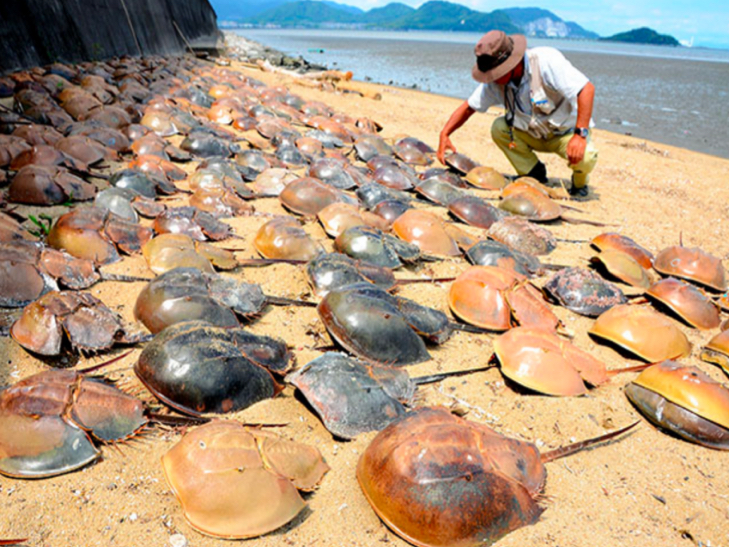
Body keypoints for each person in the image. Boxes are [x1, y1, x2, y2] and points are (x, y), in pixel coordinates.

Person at [437, 30, 598, 198]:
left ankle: (580, 183)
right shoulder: (494, 82)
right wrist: (445, 133)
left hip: (564, 135)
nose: (492, 78)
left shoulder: (546, 61)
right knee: (499, 128)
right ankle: (534, 173)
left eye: (497, 73)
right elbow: (469, 107)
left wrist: (580, 134)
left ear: (513, 63)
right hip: (531, 133)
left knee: (586, 157)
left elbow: (586, 89)